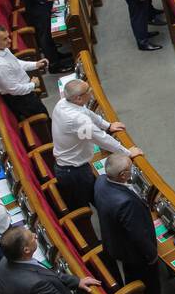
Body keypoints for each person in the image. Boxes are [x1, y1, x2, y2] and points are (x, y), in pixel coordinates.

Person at [94, 152, 165, 294]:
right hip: (134, 254)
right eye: (130, 169)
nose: (133, 172)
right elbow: (138, 235)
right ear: (123, 175)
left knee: (131, 275)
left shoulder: (101, 181)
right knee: (150, 286)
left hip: (115, 242)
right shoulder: (126, 203)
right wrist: (152, 255)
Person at [52, 78, 139, 211]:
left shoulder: (64, 103)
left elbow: (87, 113)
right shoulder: (76, 120)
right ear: (79, 98)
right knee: (86, 204)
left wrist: (108, 126)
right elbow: (100, 139)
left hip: (73, 165)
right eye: (88, 90)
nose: (91, 91)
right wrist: (127, 153)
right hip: (73, 172)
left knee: (99, 198)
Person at [0, 24, 49, 121]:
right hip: (21, 99)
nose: (9, 40)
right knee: (44, 117)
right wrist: (33, 85)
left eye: (8, 37)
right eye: (5, 39)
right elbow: (14, 89)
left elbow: (15, 63)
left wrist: (35, 64)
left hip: (24, 89)